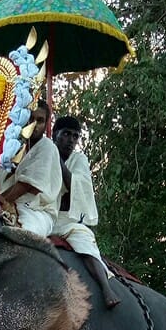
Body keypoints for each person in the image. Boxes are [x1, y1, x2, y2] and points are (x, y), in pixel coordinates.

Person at [51, 115, 119, 309]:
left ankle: (107, 290)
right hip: (43, 216)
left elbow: (77, 186)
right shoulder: (43, 153)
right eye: (66, 134)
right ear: (55, 134)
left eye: (75, 136)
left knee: (86, 243)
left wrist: (57, 160)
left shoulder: (78, 159)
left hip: (67, 221)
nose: (71, 140)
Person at [0, 98, 63, 237]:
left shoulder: (47, 147)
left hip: (36, 211)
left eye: (40, 120)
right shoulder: (13, 146)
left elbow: (27, 185)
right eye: (30, 118)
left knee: (24, 236)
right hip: (7, 202)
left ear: (46, 124)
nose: (34, 124)